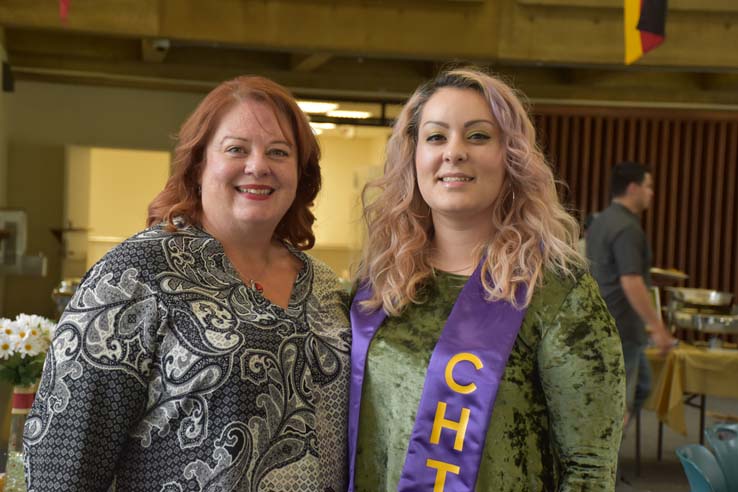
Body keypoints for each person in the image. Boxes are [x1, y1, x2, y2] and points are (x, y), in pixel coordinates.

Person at [24, 76, 350, 491]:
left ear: (299, 172)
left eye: (279, 152)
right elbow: (63, 460)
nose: (258, 166)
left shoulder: (324, 286)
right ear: (198, 165)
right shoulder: (136, 275)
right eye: (236, 149)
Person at [348, 68, 625, 492]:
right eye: (436, 137)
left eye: (478, 136)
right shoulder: (382, 280)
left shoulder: (555, 292)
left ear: (510, 156)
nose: (454, 152)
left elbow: (588, 471)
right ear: (414, 156)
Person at [586, 161, 675, 428]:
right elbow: (632, 281)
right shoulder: (627, 228)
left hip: (602, 321)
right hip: (622, 327)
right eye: (648, 187)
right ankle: (604, 465)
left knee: (640, 387)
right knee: (617, 407)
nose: (652, 193)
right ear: (633, 188)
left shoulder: (600, 222)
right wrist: (658, 328)